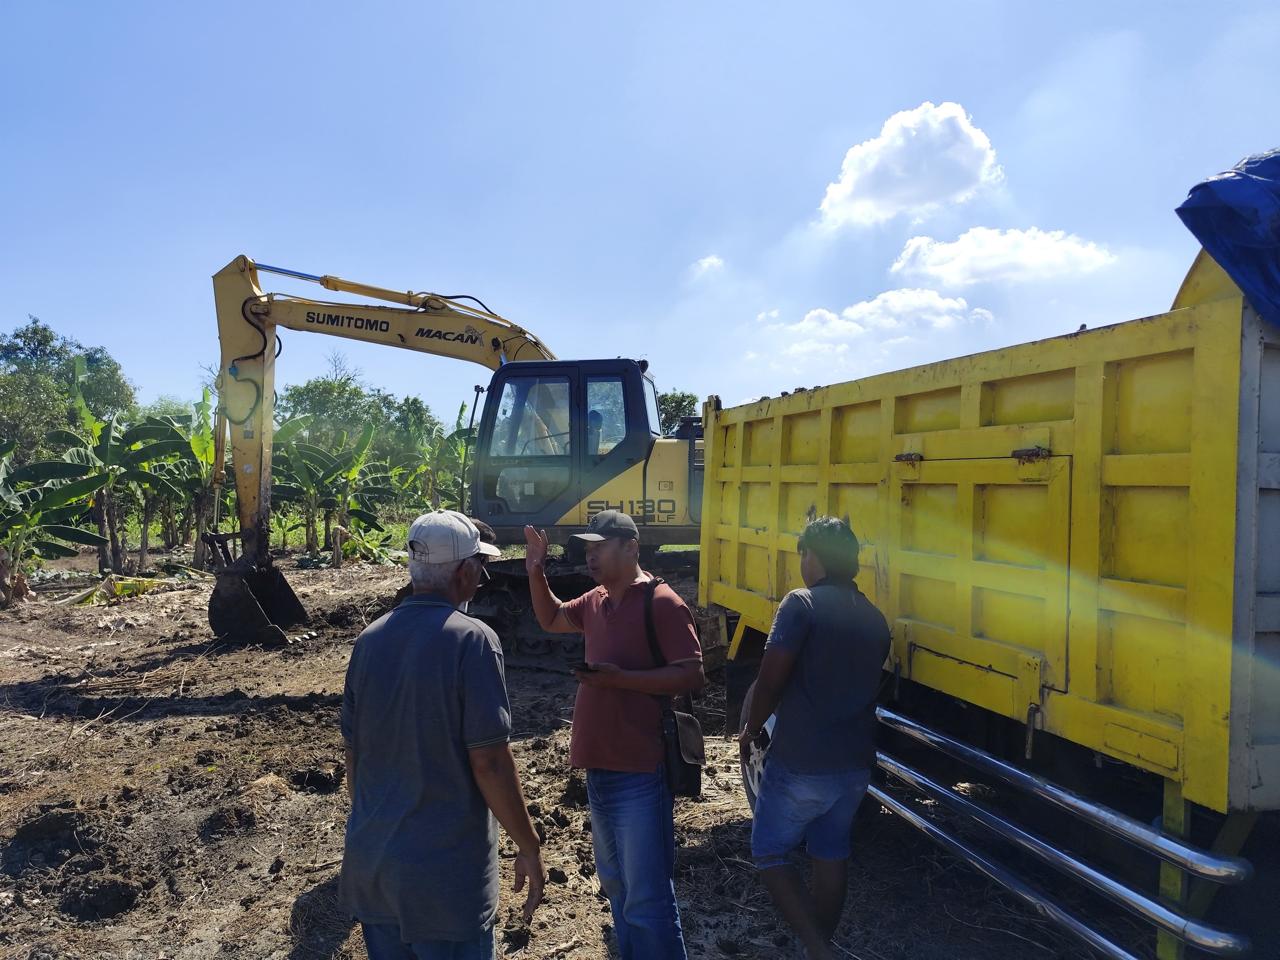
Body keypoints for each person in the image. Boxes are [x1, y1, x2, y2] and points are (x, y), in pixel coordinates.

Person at [340, 510, 545, 960]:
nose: (482, 577)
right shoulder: (474, 640)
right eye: (480, 566)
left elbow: (354, 757)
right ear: (464, 572)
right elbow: (490, 762)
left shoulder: (369, 640)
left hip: (375, 869)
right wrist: (528, 845)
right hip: (445, 881)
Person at [524, 510, 703, 960]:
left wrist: (619, 679)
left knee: (647, 898)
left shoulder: (662, 603)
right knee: (618, 888)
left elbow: (691, 674)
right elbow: (551, 618)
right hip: (598, 768)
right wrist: (536, 570)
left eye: (600, 547)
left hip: (641, 769)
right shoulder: (596, 600)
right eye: (587, 548)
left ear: (631, 548)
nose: (591, 556)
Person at [738, 516, 891, 960]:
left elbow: (770, 681)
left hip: (802, 761)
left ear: (813, 556)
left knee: (769, 851)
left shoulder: (800, 604)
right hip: (855, 766)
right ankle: (820, 946)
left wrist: (751, 729)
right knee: (830, 852)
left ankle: (818, 948)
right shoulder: (874, 618)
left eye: (801, 554)